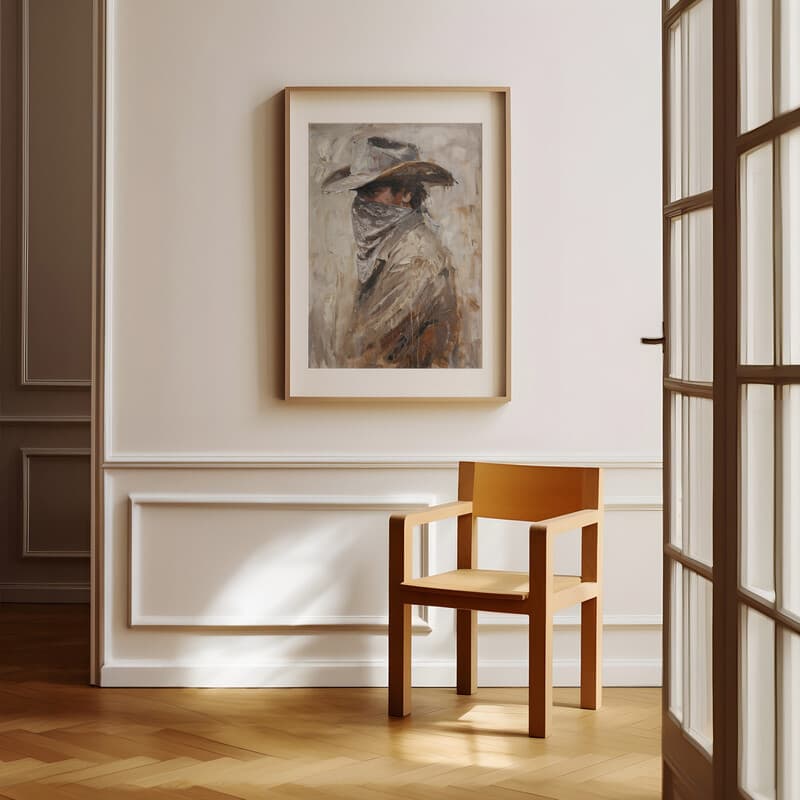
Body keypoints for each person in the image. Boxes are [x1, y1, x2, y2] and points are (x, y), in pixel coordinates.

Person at [322, 136, 461, 368]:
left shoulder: (415, 255)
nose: (361, 202)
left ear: (406, 193)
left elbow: (367, 348)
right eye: (359, 192)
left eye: (372, 190)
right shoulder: (389, 247)